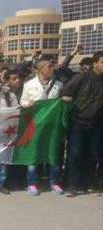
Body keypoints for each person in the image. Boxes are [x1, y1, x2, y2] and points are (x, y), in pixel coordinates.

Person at [20, 57, 65, 196]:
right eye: (49, 67)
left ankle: (54, 182)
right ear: (40, 69)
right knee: (34, 153)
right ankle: (31, 183)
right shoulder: (29, 84)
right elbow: (22, 100)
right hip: (36, 123)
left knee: (54, 153)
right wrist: (28, 104)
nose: (52, 69)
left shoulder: (58, 84)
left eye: (52, 67)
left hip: (53, 125)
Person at [61, 51, 103, 197]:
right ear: (95, 63)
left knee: (93, 154)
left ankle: (88, 183)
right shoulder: (81, 78)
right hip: (78, 122)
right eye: (102, 62)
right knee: (75, 153)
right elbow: (64, 92)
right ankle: (73, 184)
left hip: (97, 123)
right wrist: (67, 98)